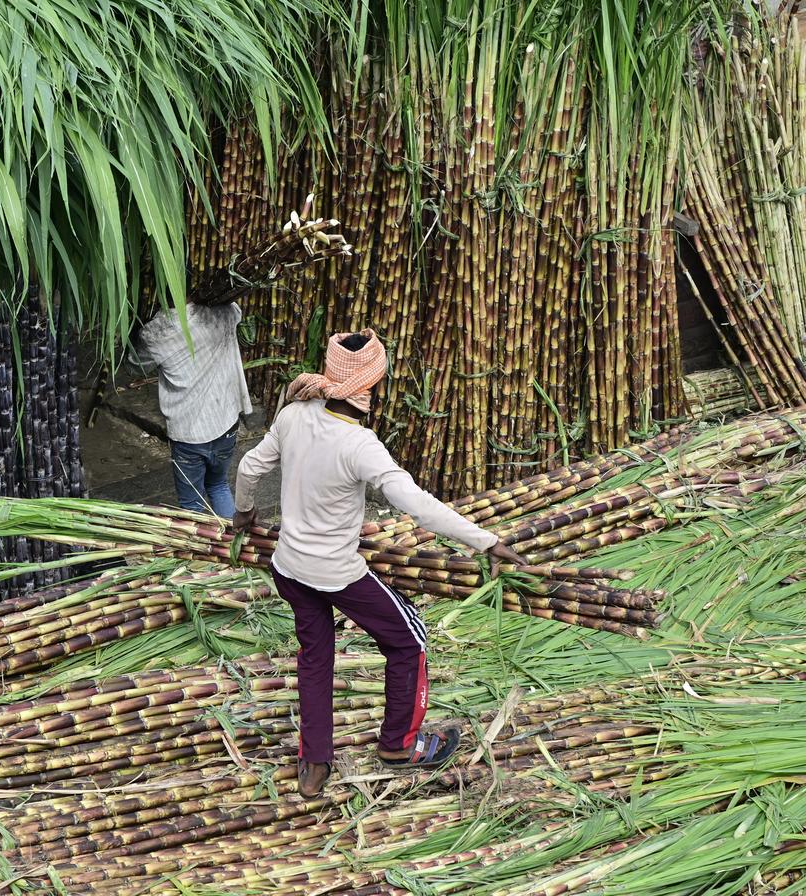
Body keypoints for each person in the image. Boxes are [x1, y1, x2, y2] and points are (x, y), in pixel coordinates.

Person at [232, 328, 526, 798]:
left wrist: (245, 511)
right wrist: (486, 541)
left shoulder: (293, 415)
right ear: (374, 385)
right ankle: (398, 746)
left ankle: (314, 763)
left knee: (315, 659)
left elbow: (249, 468)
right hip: (335, 573)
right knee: (409, 639)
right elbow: (418, 504)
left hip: (289, 568)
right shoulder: (360, 443)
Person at [132, 301, 252, 516]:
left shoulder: (155, 332)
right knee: (219, 486)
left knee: (191, 507)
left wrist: (133, 330)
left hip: (188, 435)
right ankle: (233, 544)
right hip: (226, 423)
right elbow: (237, 310)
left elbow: (134, 364)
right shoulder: (221, 311)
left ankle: (199, 548)